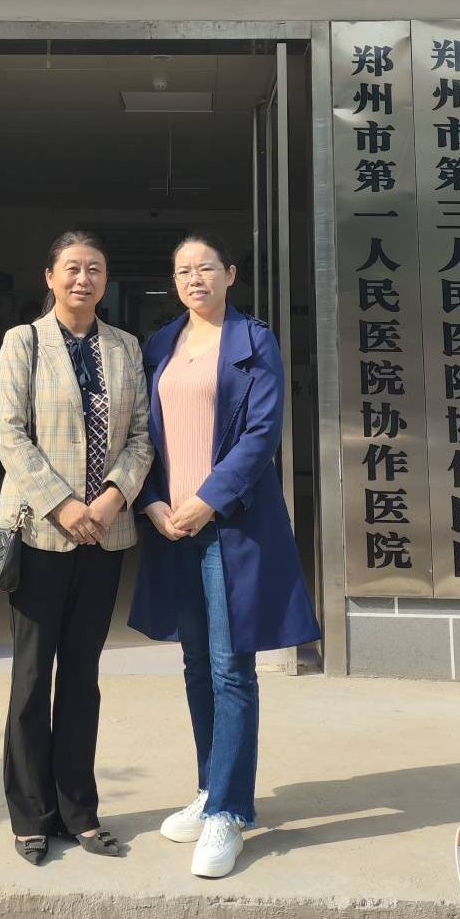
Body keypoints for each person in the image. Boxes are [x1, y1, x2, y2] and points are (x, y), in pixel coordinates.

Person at [130, 231, 321, 878]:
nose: (195, 278)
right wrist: (153, 502)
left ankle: (230, 811)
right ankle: (210, 787)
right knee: (194, 665)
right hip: (172, 527)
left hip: (229, 525)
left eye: (206, 267)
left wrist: (206, 500)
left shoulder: (253, 342)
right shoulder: (161, 344)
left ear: (230, 274)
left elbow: (261, 434)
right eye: (183, 269)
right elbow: (143, 433)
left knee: (231, 666)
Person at [0, 230, 154, 865]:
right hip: (40, 530)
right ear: (49, 277)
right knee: (33, 677)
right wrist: (61, 503)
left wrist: (113, 498)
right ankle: (31, 815)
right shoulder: (24, 342)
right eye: (72, 269)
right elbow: (9, 433)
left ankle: (79, 811)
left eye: (94, 270)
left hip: (105, 533)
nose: (83, 279)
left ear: (105, 281)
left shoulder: (126, 347)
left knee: (83, 676)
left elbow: (142, 436)